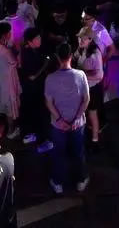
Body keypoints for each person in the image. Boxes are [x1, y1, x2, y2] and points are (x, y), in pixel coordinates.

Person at [43, 42, 89, 194]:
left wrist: (59, 120)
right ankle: (81, 181)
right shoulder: (80, 75)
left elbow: (49, 103)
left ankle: (58, 183)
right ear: (70, 56)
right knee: (78, 152)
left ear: (57, 57)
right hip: (78, 124)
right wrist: (76, 119)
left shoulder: (50, 78)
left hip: (58, 125)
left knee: (58, 153)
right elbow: (86, 99)